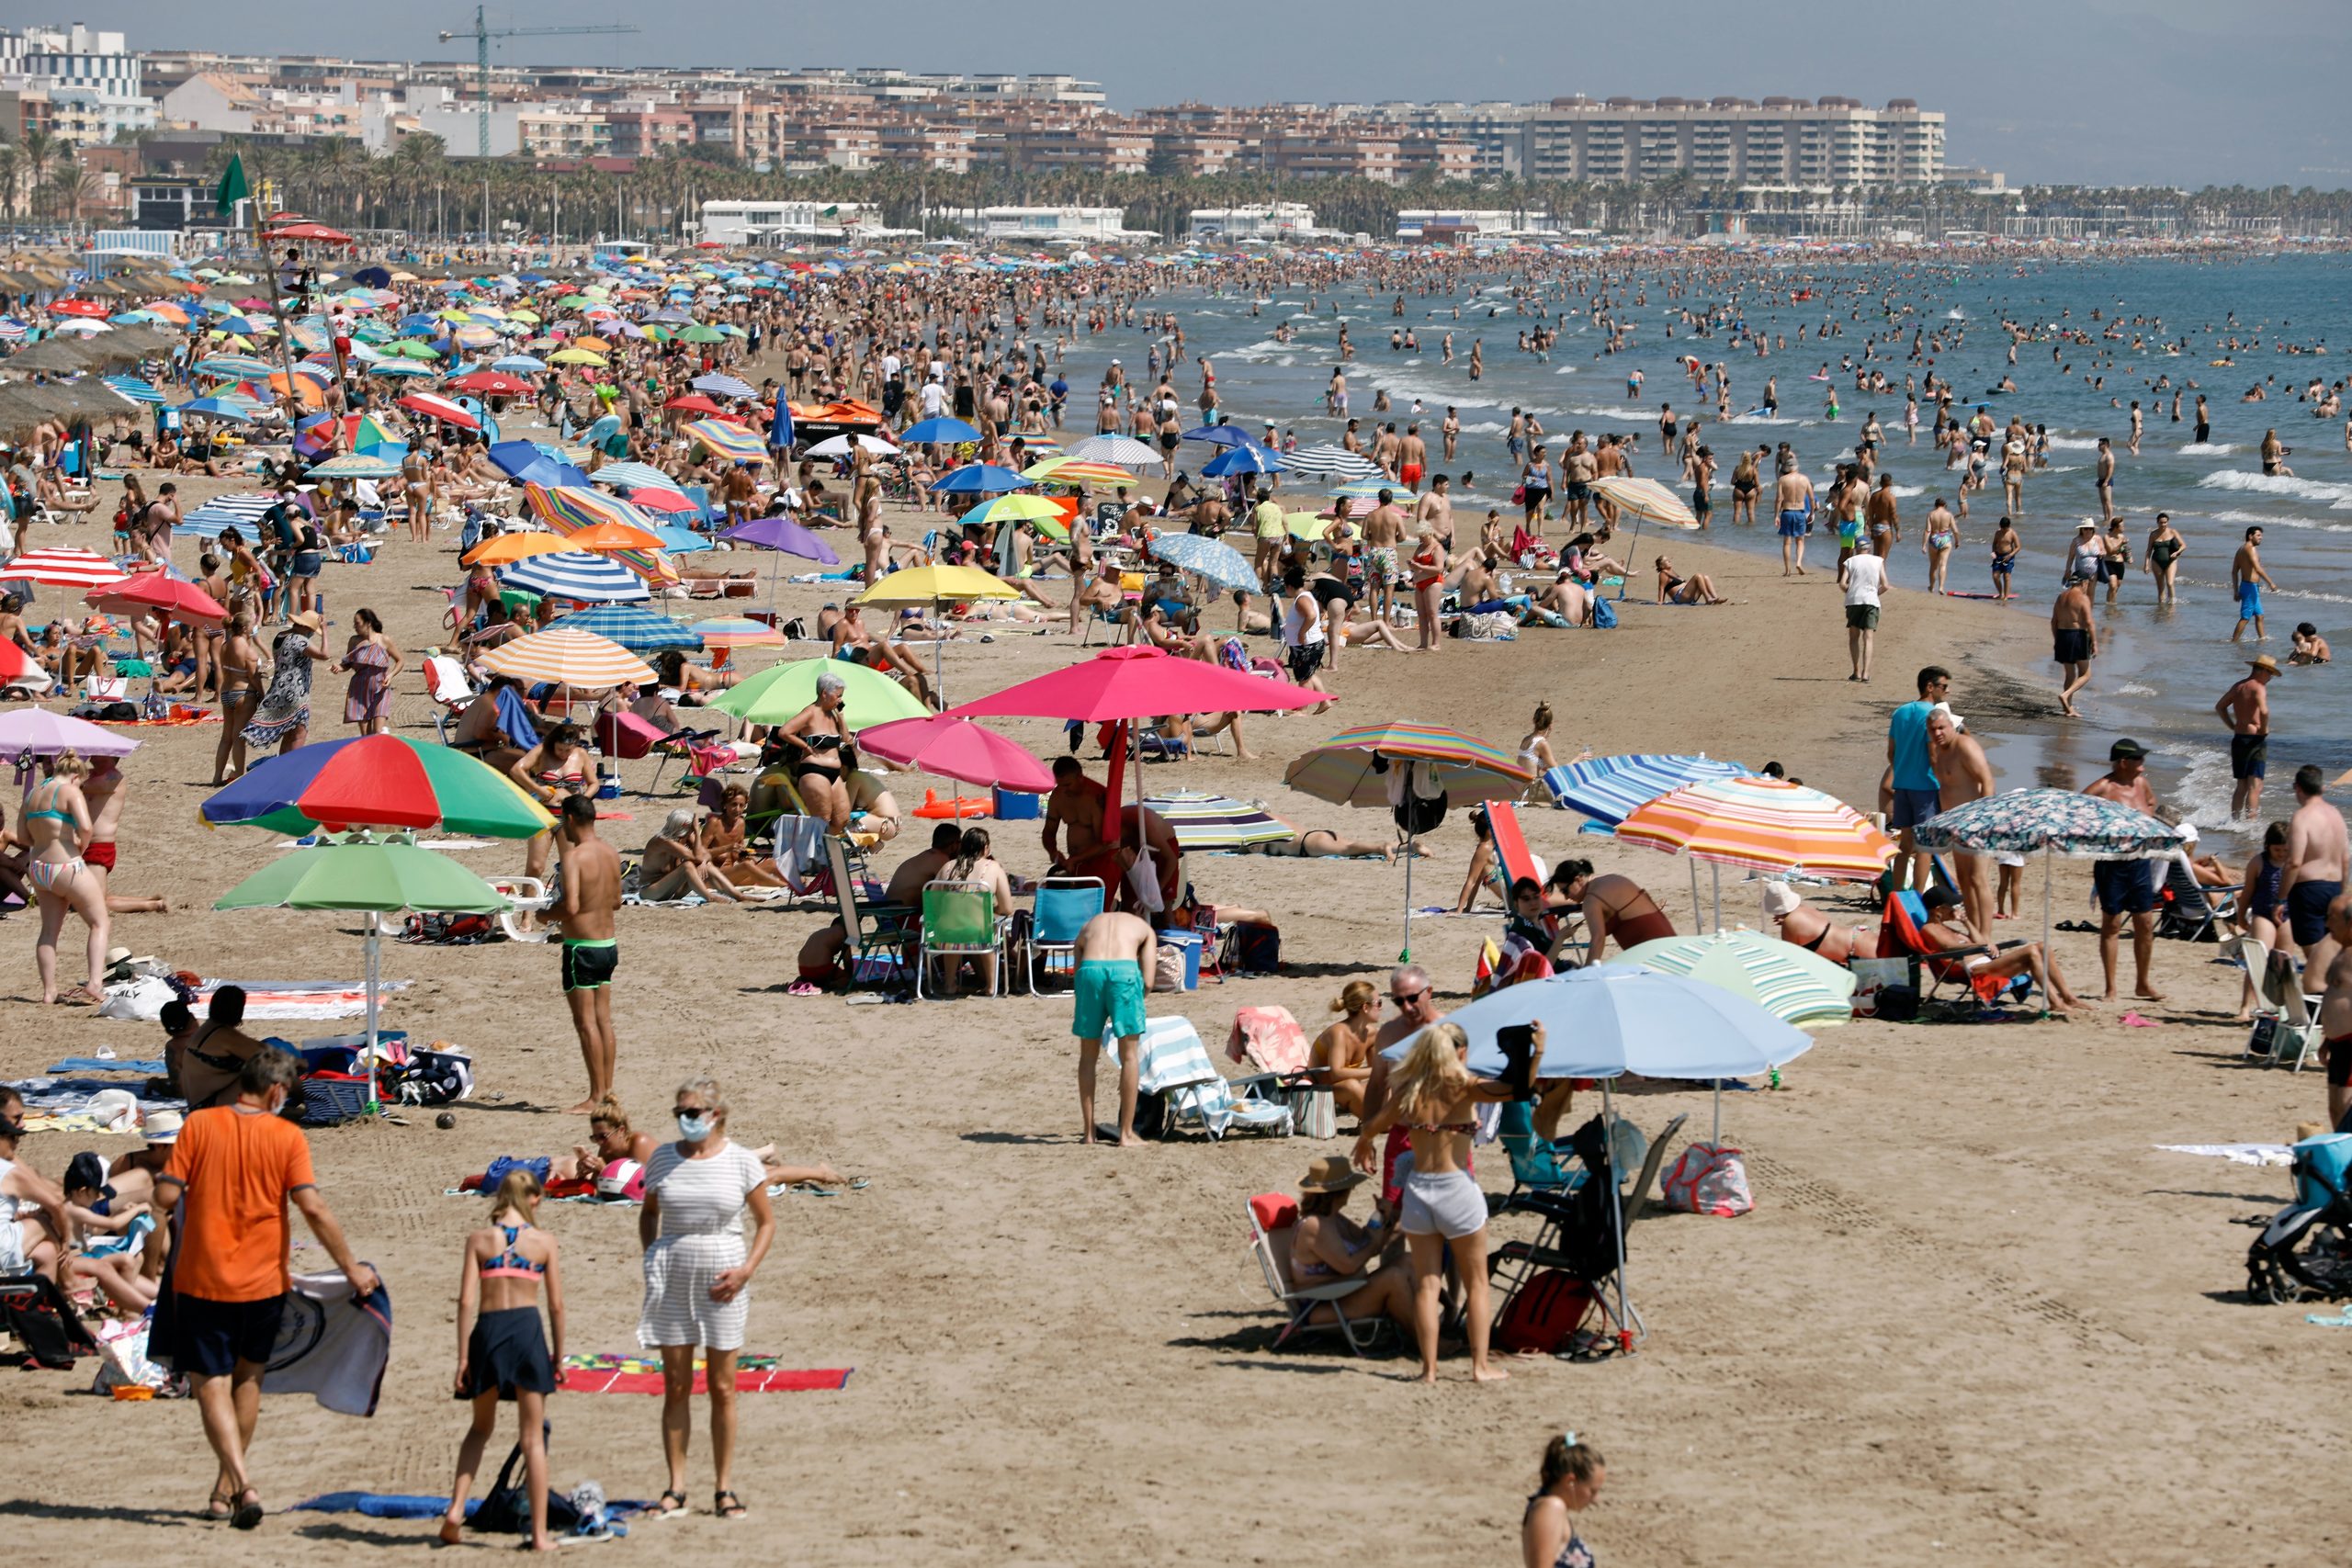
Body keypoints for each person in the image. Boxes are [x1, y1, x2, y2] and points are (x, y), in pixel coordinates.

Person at [154, 1048, 379, 1529]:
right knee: (249, 1379)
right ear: (276, 1091)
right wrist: (350, 1267)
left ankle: (240, 1481)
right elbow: (313, 1209)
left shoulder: (199, 1126)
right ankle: (226, 1488)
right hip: (263, 1283)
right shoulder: (287, 1136)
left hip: (202, 1279)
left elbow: (166, 1196)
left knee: (209, 1383)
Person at [1349, 1021, 1529, 1383]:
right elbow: (1516, 1089)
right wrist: (1534, 1052)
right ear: (1459, 1052)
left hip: (1418, 1192)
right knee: (1477, 1283)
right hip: (1456, 1189)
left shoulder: (1408, 1092)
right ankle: (1480, 1367)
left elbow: (1373, 1125)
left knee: (1428, 1284)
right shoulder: (1464, 1087)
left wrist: (1365, 1143)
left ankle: (1428, 1371)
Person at [637, 1077, 775, 1522]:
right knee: (675, 1385)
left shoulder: (739, 1162)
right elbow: (649, 1213)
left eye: (691, 1113)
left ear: (715, 1115)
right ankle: (676, 1487)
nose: (684, 1121)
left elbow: (765, 1222)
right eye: (679, 1114)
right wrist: (651, 1257)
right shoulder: (661, 1158)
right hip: (673, 1272)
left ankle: (723, 1487)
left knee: (722, 1386)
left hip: (724, 1274)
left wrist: (746, 1270)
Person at [441, 1168, 567, 1551]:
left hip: (489, 1329)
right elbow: (556, 1305)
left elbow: (465, 1301)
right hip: (526, 1330)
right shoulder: (544, 1242)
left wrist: (463, 1357)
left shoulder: (479, 1240)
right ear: (532, 1199)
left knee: (480, 1428)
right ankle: (540, 1535)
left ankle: (455, 1509)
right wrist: (558, 1357)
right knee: (532, 1439)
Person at [1283, 1154, 1415, 1339]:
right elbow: (1350, 1265)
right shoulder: (1315, 1226)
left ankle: (1422, 1328)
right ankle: (1422, 1339)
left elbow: (1368, 1242)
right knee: (1393, 1277)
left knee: (1408, 1261)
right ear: (1341, 1192)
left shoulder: (1333, 1218)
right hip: (1322, 1308)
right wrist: (1375, 1242)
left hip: (1342, 1295)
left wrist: (1386, 1219)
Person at [552, 795, 622, 1115]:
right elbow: (618, 901)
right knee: (604, 1021)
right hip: (607, 946)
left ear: (569, 819)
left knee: (586, 1024)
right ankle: (607, 1092)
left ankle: (595, 1096)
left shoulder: (574, 857)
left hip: (581, 947)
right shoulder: (610, 852)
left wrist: (544, 915)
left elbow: (571, 907)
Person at [23, 750, 108, 1007]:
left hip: (38, 867)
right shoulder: (71, 792)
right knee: (99, 922)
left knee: (49, 931)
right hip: (66, 865)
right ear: (75, 777)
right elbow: (86, 827)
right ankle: (95, 983)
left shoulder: (32, 794)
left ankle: (49, 992)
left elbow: (23, 835)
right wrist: (79, 848)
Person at [1917, 885, 2087, 1012]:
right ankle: (2055, 1003)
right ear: (1938, 909)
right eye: (1951, 906)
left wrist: (1965, 921)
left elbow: (1979, 941)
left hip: (1987, 963)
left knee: (2044, 947)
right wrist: (1982, 945)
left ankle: (2068, 997)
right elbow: (1949, 947)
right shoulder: (1929, 929)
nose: (1955, 909)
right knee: (2031, 952)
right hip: (1976, 971)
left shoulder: (1949, 927)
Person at [2085, 739, 2163, 1003]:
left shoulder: (2141, 783)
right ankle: (2111, 988)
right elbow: (2075, 810)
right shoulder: (2103, 788)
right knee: (2112, 924)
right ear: (2123, 763)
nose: (2142, 767)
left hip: (2139, 861)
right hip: (2111, 864)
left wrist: (2147, 822)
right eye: (2138, 761)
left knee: (2145, 924)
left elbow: (2152, 803)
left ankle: (2143, 983)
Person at [1071, 908, 1154, 1146]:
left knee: (1087, 1057)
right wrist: (1137, 1000)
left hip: (1090, 972)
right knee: (1129, 1057)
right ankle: (1126, 1134)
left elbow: (1078, 970)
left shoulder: (1089, 924)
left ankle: (1088, 1133)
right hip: (1124, 973)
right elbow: (1148, 980)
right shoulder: (1144, 929)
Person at [1927, 705, 1998, 938]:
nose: (1938, 733)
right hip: (1954, 824)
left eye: (1941, 728)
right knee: (1965, 880)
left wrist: (1983, 819)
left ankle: (1986, 935)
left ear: (1951, 726)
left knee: (1978, 878)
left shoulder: (1965, 746)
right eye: (1933, 729)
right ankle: (1976, 931)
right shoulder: (1937, 751)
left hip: (1976, 823)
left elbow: (1987, 780)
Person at [1884, 666, 1951, 891]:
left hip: (1903, 785)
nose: (1946, 692)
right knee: (1924, 846)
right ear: (1930, 687)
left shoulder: (1900, 712)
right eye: (1943, 687)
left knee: (1905, 845)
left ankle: (1896, 894)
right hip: (1926, 786)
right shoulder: (1932, 716)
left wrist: (1902, 770)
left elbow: (1891, 753)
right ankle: (1919, 896)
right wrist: (1945, 783)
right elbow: (1933, 754)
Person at [2280, 763, 2348, 984]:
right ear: (2321, 787)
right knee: (2332, 947)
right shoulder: (2336, 814)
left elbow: (2294, 862)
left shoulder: (2302, 817)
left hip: (2308, 890)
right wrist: (2343, 892)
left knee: (2316, 957)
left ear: (2298, 788)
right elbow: (2345, 859)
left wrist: (2280, 897)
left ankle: (2325, 1002)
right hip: (2334, 887)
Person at [775, 671, 858, 834]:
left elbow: (847, 740)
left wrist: (841, 717)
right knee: (822, 819)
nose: (840, 700)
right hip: (814, 772)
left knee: (842, 818)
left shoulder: (833, 715)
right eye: (838, 695)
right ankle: (816, 854)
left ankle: (825, 850)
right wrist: (805, 746)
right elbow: (785, 731)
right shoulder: (810, 712)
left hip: (835, 774)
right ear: (824, 693)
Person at [510, 722, 593, 887]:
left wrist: (582, 800)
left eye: (567, 750)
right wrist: (536, 788)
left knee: (569, 865)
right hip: (544, 815)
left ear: (575, 745)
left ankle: (566, 907)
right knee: (535, 866)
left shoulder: (580, 755)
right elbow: (516, 769)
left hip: (569, 817)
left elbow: (594, 783)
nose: (563, 754)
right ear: (552, 743)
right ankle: (527, 912)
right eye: (560, 749)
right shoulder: (542, 751)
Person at [1548, 860, 1673, 963]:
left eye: (1565, 891)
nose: (1566, 897)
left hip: (1650, 951)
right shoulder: (1611, 879)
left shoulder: (1591, 900)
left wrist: (1587, 975)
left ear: (1579, 880)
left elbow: (1598, 940)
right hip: (1669, 939)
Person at [0, 1097, 68, 1285]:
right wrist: (65, 1243)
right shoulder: (7, 1171)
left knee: (46, 1252)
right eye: (12, 1138)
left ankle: (40, 1308)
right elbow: (57, 1205)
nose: (16, 1144)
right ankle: (70, 1282)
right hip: (1, 1250)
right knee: (43, 1221)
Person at [243, 610, 328, 757]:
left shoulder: (280, 636)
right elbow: (325, 654)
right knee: (298, 734)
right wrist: (325, 632)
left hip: (279, 690)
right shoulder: (298, 640)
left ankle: (283, 767)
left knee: (288, 735)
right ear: (306, 628)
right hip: (296, 693)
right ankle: (292, 769)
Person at [1522, 1436, 1608, 1568]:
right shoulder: (1551, 1508)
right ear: (1570, 1481)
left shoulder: (1547, 1505)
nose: (1595, 1500)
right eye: (1592, 1491)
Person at [2235, 822, 2292, 1021]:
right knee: (2258, 959)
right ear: (2268, 845)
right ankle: (2245, 1006)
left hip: (2287, 916)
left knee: (2283, 963)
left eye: (2286, 850)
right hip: (2263, 914)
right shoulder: (2258, 862)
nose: (2282, 854)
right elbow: (2248, 892)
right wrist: (2241, 916)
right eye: (2277, 850)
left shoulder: (2293, 864)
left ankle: (2277, 1007)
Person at [2214, 654, 2278, 819]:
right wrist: (2264, 729)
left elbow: (2220, 707)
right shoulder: (2258, 687)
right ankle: (2251, 823)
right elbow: (2264, 711)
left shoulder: (2238, 686)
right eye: (2270, 673)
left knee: (2241, 785)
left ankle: (2235, 821)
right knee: (2255, 786)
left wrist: (2232, 726)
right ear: (2262, 671)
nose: (2271, 678)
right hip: (2255, 740)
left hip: (2239, 738)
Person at [1309, 980, 1382, 1121]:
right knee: (1351, 1086)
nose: (1380, 1008)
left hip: (1345, 1090)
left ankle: (1387, 1119)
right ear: (1365, 1007)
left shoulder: (1372, 1035)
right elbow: (1337, 1073)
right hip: (1321, 1091)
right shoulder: (1339, 1033)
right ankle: (1380, 1122)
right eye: (1378, 1003)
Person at [1762, 882, 1873, 964]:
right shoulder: (1806, 910)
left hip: (1854, 950)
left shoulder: (1789, 922)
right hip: (1857, 936)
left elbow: (1792, 960)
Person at [338, 608, 401, 737]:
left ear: (368, 623)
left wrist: (391, 675)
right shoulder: (354, 641)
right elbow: (347, 663)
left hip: (380, 690)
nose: (355, 626)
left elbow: (400, 661)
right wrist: (339, 668)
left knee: (378, 732)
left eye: (357, 623)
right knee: (366, 736)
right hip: (360, 691)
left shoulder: (384, 640)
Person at [1838, 542, 1888, 682]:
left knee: (1854, 637)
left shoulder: (1850, 561)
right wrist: (1874, 593)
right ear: (1869, 548)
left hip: (1854, 601)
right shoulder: (1878, 561)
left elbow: (1842, 583)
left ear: (1856, 549)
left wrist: (1850, 592)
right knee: (1868, 637)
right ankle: (1866, 672)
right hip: (1871, 601)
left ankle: (1856, 671)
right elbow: (1885, 585)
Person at [2051, 575, 2097, 717]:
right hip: (2077, 636)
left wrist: (2057, 639)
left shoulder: (2061, 597)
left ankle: (2068, 709)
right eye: (2087, 583)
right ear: (2084, 583)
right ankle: (2066, 695)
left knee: (2070, 675)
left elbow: (2054, 621)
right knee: (2086, 674)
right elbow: (2089, 622)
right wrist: (2094, 642)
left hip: (2062, 635)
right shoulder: (2083, 598)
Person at [2232, 525, 2276, 642]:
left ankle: (2262, 639)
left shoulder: (2241, 549)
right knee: (2245, 618)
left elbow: (2234, 571)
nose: (2261, 538)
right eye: (2258, 535)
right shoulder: (2249, 549)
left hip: (2250, 587)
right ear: (2250, 536)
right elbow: (2257, 568)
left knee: (2259, 616)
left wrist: (2236, 590)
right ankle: (2234, 641)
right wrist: (2270, 583)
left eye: (2261, 535)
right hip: (2250, 587)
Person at [2143, 512, 2185, 605]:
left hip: (2171, 561)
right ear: (2157, 522)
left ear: (2168, 522)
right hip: (2156, 561)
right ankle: (2161, 607)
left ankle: (2172, 605)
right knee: (2160, 587)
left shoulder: (2173, 532)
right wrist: (2146, 564)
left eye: (2165, 522)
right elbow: (2149, 550)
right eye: (2161, 522)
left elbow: (2183, 545)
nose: (2163, 525)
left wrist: (2177, 552)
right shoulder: (2153, 534)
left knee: (2170, 583)